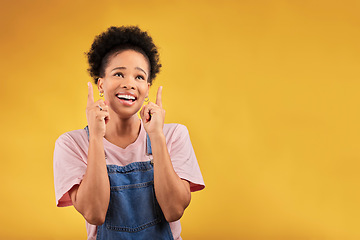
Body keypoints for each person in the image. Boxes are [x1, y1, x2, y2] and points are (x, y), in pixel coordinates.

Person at [53, 26, 205, 240]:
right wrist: (96, 138)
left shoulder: (173, 135)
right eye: (119, 74)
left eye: (139, 77)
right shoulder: (72, 143)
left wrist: (157, 137)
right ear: (101, 84)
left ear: (148, 88)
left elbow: (174, 210)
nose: (129, 84)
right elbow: (94, 214)